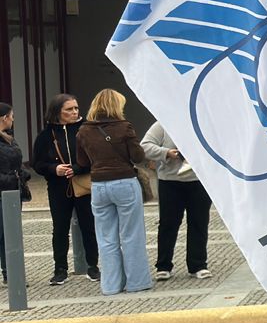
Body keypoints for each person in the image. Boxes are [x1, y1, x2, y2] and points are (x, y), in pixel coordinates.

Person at [76, 90, 150, 296]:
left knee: (105, 237)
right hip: (124, 182)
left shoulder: (83, 130)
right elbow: (137, 156)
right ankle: (136, 282)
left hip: (99, 185)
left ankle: (110, 286)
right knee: (131, 235)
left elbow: (82, 161)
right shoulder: (124, 127)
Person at [32, 94, 98, 285]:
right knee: (60, 228)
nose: (74, 112)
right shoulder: (46, 135)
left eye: (76, 108)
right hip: (58, 187)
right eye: (69, 109)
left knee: (89, 226)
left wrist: (77, 168)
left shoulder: (85, 129)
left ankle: (93, 266)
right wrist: (55, 169)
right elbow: (38, 164)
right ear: (57, 112)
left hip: (83, 184)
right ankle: (60, 269)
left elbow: (95, 157)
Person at [141, 119, 211, 282]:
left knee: (199, 223)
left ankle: (198, 265)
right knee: (168, 224)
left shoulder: (203, 121)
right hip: (170, 182)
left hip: (200, 181)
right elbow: (144, 146)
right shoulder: (163, 124)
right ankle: (163, 266)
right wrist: (166, 152)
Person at [0, 102, 30, 286]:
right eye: (11, 116)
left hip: (12, 191)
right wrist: (10, 177)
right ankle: (9, 272)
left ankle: (10, 272)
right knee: (3, 233)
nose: (13, 119)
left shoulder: (9, 137)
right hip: (3, 190)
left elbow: (16, 162)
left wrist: (22, 174)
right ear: (4, 118)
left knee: (10, 232)